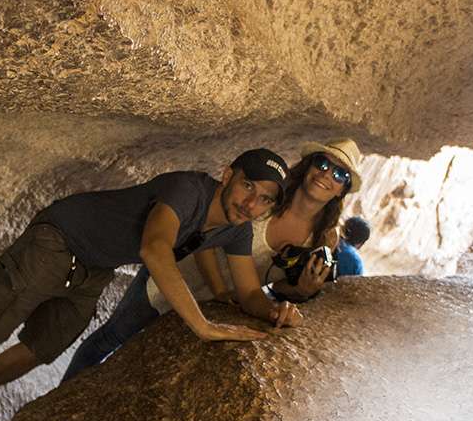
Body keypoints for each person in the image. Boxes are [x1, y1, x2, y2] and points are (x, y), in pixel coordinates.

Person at [0, 148, 302, 421]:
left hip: (97, 265)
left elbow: (249, 292)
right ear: (228, 175)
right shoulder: (187, 189)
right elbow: (154, 248)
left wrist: (274, 311)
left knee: (41, 348)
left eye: (265, 199)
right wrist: (202, 325)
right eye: (248, 186)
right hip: (62, 235)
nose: (251, 204)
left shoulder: (236, 232)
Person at [62, 137, 362, 383]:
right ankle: (59, 400)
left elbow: (275, 285)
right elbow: (206, 235)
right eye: (322, 164)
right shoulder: (267, 196)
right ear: (309, 166)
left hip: (222, 303)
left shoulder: (324, 239)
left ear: (343, 191)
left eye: (340, 175)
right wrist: (220, 292)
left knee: (144, 365)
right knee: (112, 337)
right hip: (174, 277)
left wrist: (298, 294)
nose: (326, 175)